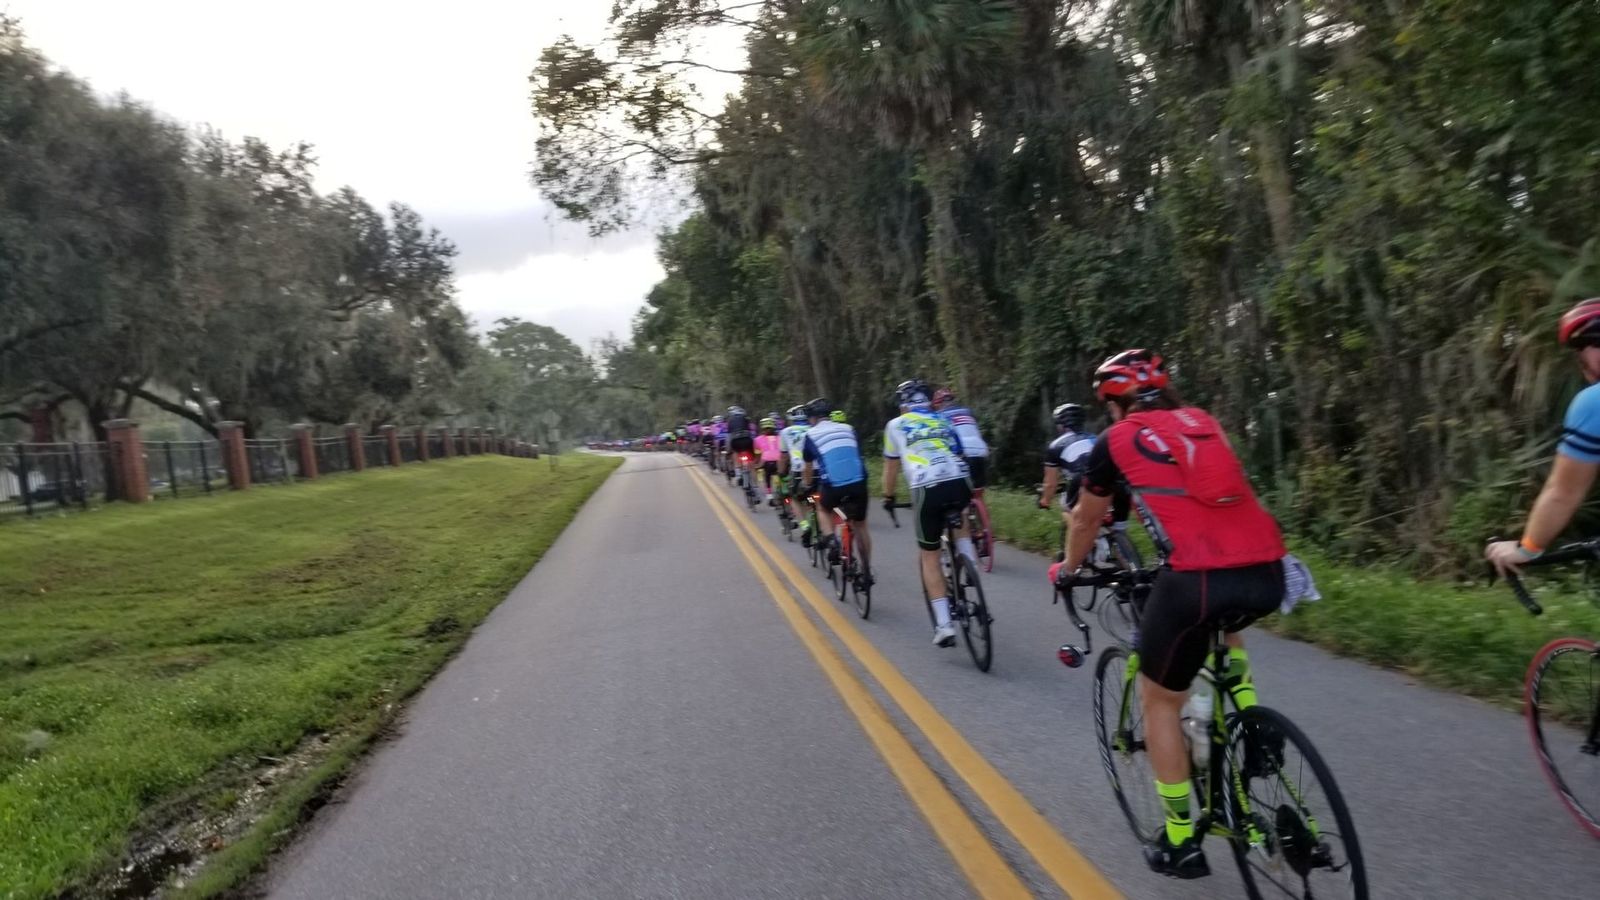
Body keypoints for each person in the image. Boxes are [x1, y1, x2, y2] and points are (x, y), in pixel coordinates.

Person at [1052, 348, 1289, 879]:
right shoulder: (1203, 422)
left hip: (1197, 580)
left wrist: (1067, 570)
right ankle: (1253, 730)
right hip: (1268, 570)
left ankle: (1181, 839)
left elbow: (1086, 521)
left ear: (1114, 403)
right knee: (1227, 627)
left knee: (1159, 698)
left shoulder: (1117, 438)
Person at [1488, 297, 1600, 574]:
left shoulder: (1593, 403)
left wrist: (1527, 548)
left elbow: (1563, 493)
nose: (1580, 361)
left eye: (1580, 349)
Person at [882, 379, 975, 647]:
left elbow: (890, 469)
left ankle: (944, 625)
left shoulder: (895, 425)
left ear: (903, 405)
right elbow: (961, 453)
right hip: (959, 481)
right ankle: (969, 564)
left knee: (929, 556)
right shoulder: (943, 419)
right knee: (961, 518)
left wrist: (889, 497)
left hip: (927, 487)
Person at [801, 398, 872, 580]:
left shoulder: (810, 435)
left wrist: (807, 485)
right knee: (860, 525)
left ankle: (831, 539)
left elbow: (808, 466)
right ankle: (866, 571)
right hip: (859, 482)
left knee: (822, 508)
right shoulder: (849, 428)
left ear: (812, 418)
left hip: (833, 485)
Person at [931, 387, 991, 495]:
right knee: (977, 491)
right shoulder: (967, 411)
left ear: (937, 404)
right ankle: (979, 502)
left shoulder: (938, 416)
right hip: (981, 450)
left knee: (957, 493)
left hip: (963, 453)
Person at [779, 404, 813, 541]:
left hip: (798, 470)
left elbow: (784, 456)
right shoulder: (815, 429)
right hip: (818, 470)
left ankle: (804, 525)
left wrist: (781, 473)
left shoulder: (786, 432)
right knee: (812, 498)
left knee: (795, 498)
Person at [755, 417, 783, 504]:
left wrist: (757, 464)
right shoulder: (780, 437)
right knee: (782, 476)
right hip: (779, 461)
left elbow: (758, 454)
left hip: (766, 461)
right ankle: (782, 491)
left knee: (767, 476)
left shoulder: (757, 439)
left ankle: (769, 495)